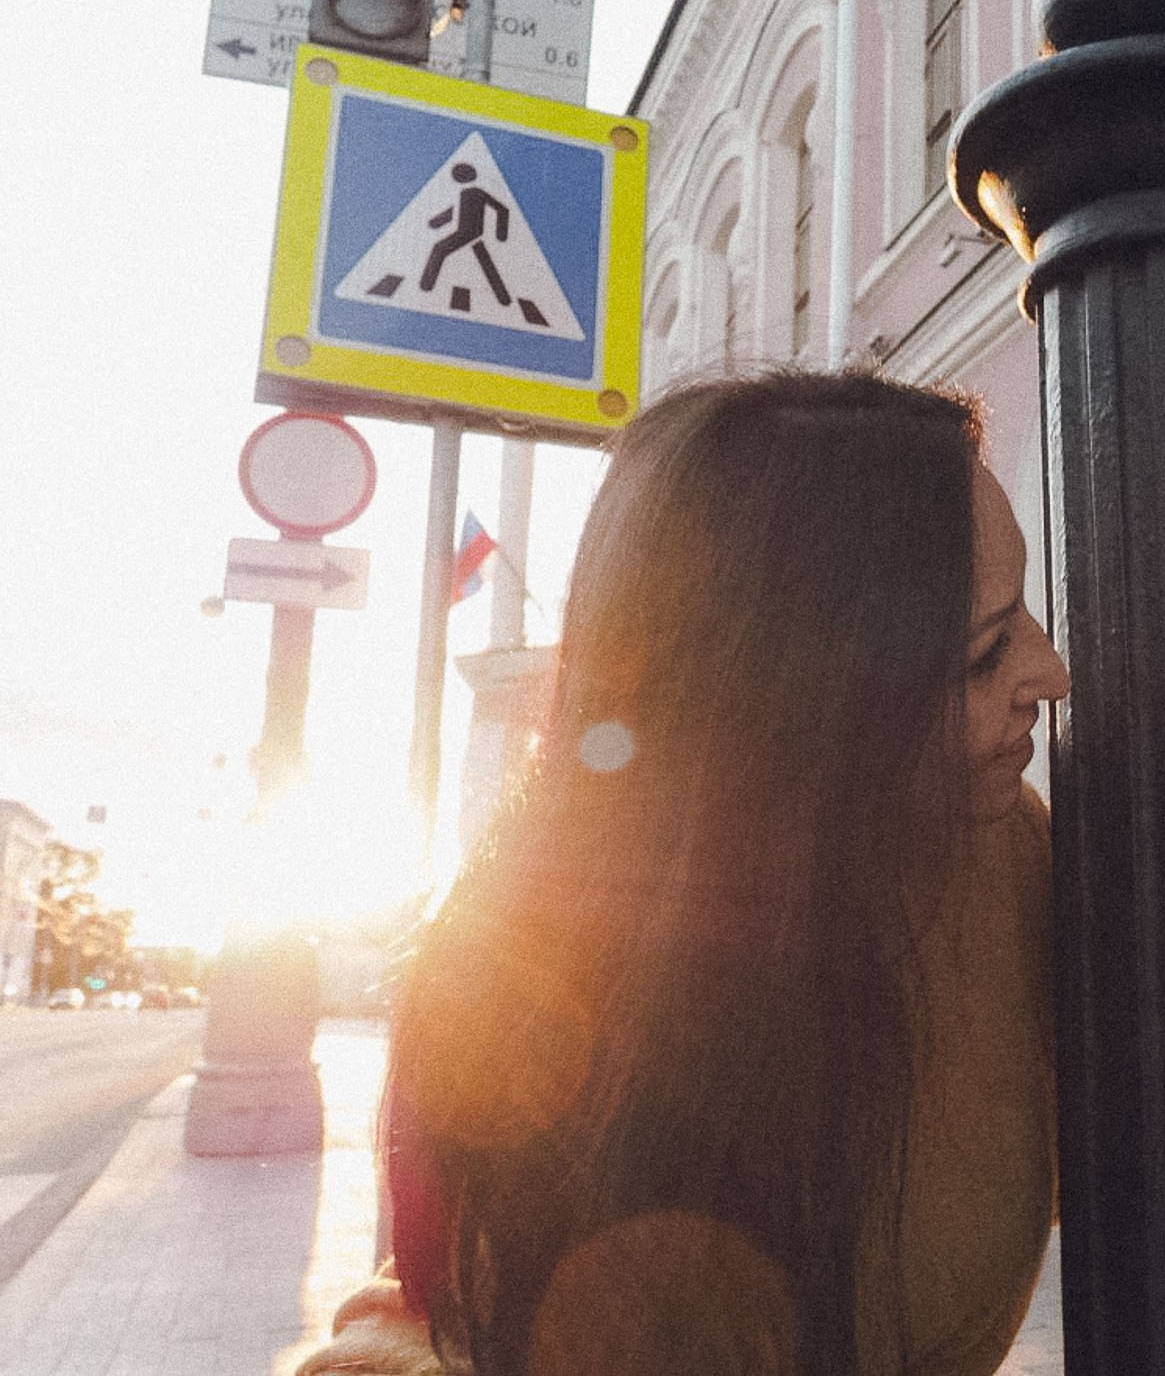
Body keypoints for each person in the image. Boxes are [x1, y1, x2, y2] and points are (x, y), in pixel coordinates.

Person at [299, 366, 1071, 1376]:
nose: (1050, 673)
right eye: (982, 653)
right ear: (796, 711)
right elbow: (439, 1303)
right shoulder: (524, 983)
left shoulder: (1006, 856)